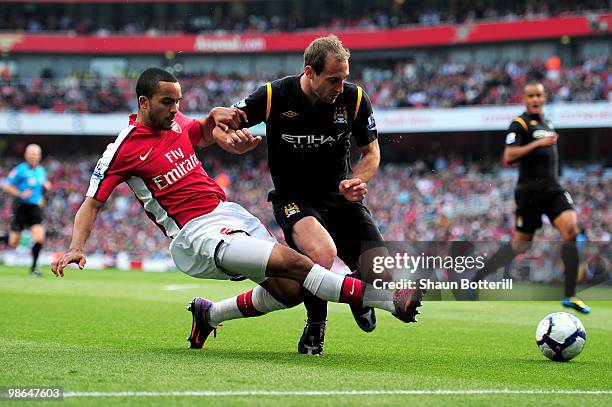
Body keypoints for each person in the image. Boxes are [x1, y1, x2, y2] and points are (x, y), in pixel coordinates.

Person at [50, 67, 423, 352]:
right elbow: (92, 203)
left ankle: (208, 315)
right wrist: (77, 246)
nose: (175, 109)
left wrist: (229, 139)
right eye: (167, 102)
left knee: (291, 291)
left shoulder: (177, 124)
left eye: (178, 101)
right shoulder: (123, 148)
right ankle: (389, 301)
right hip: (196, 233)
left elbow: (206, 133)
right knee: (297, 262)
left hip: (227, 213)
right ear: (143, 102)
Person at [226, 35, 384, 354]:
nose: (340, 86)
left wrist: (358, 180)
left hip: (340, 196)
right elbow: (226, 122)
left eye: (344, 78)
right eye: (333, 79)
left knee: (381, 273)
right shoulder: (273, 95)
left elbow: (371, 153)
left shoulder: (354, 100)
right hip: (294, 198)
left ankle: (356, 290)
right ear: (309, 72)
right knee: (321, 253)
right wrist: (231, 139)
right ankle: (316, 325)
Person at [470, 81, 590, 313]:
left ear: (544, 98)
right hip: (529, 192)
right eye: (531, 95)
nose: (535, 99)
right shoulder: (520, 124)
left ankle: (570, 295)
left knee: (571, 231)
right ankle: (477, 277)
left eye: (539, 95)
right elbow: (510, 155)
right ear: (525, 99)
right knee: (521, 245)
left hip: (553, 189)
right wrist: (538, 143)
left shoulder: (548, 123)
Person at [3, 144, 50, 276]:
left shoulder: (41, 171)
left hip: (35, 209)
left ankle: (34, 268)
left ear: (40, 156)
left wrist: (43, 193)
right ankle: (3, 237)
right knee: (13, 242)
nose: (33, 156)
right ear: (26, 155)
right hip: (21, 207)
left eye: (36, 154)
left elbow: (40, 188)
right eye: (31, 153)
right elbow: (6, 186)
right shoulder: (20, 170)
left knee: (40, 238)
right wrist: (20, 194)